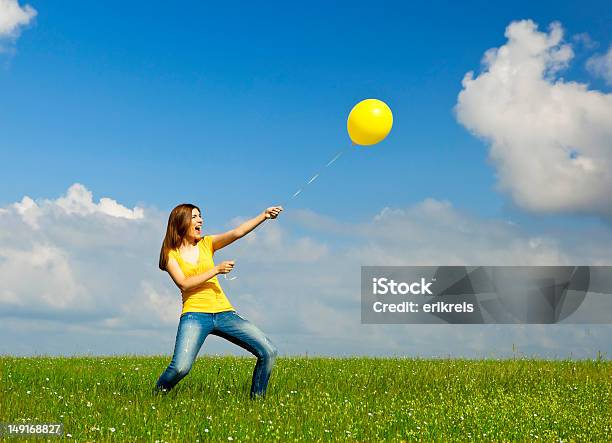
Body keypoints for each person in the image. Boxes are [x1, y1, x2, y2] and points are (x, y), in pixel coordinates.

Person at [154, 203, 283, 399]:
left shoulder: (207, 244)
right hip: (195, 315)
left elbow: (238, 232)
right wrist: (216, 269)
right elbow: (184, 284)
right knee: (180, 368)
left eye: (200, 216)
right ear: (181, 222)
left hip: (224, 313)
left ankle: (258, 402)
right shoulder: (170, 254)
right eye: (195, 217)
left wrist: (264, 215)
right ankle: (156, 396)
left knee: (269, 351)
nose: (200, 221)